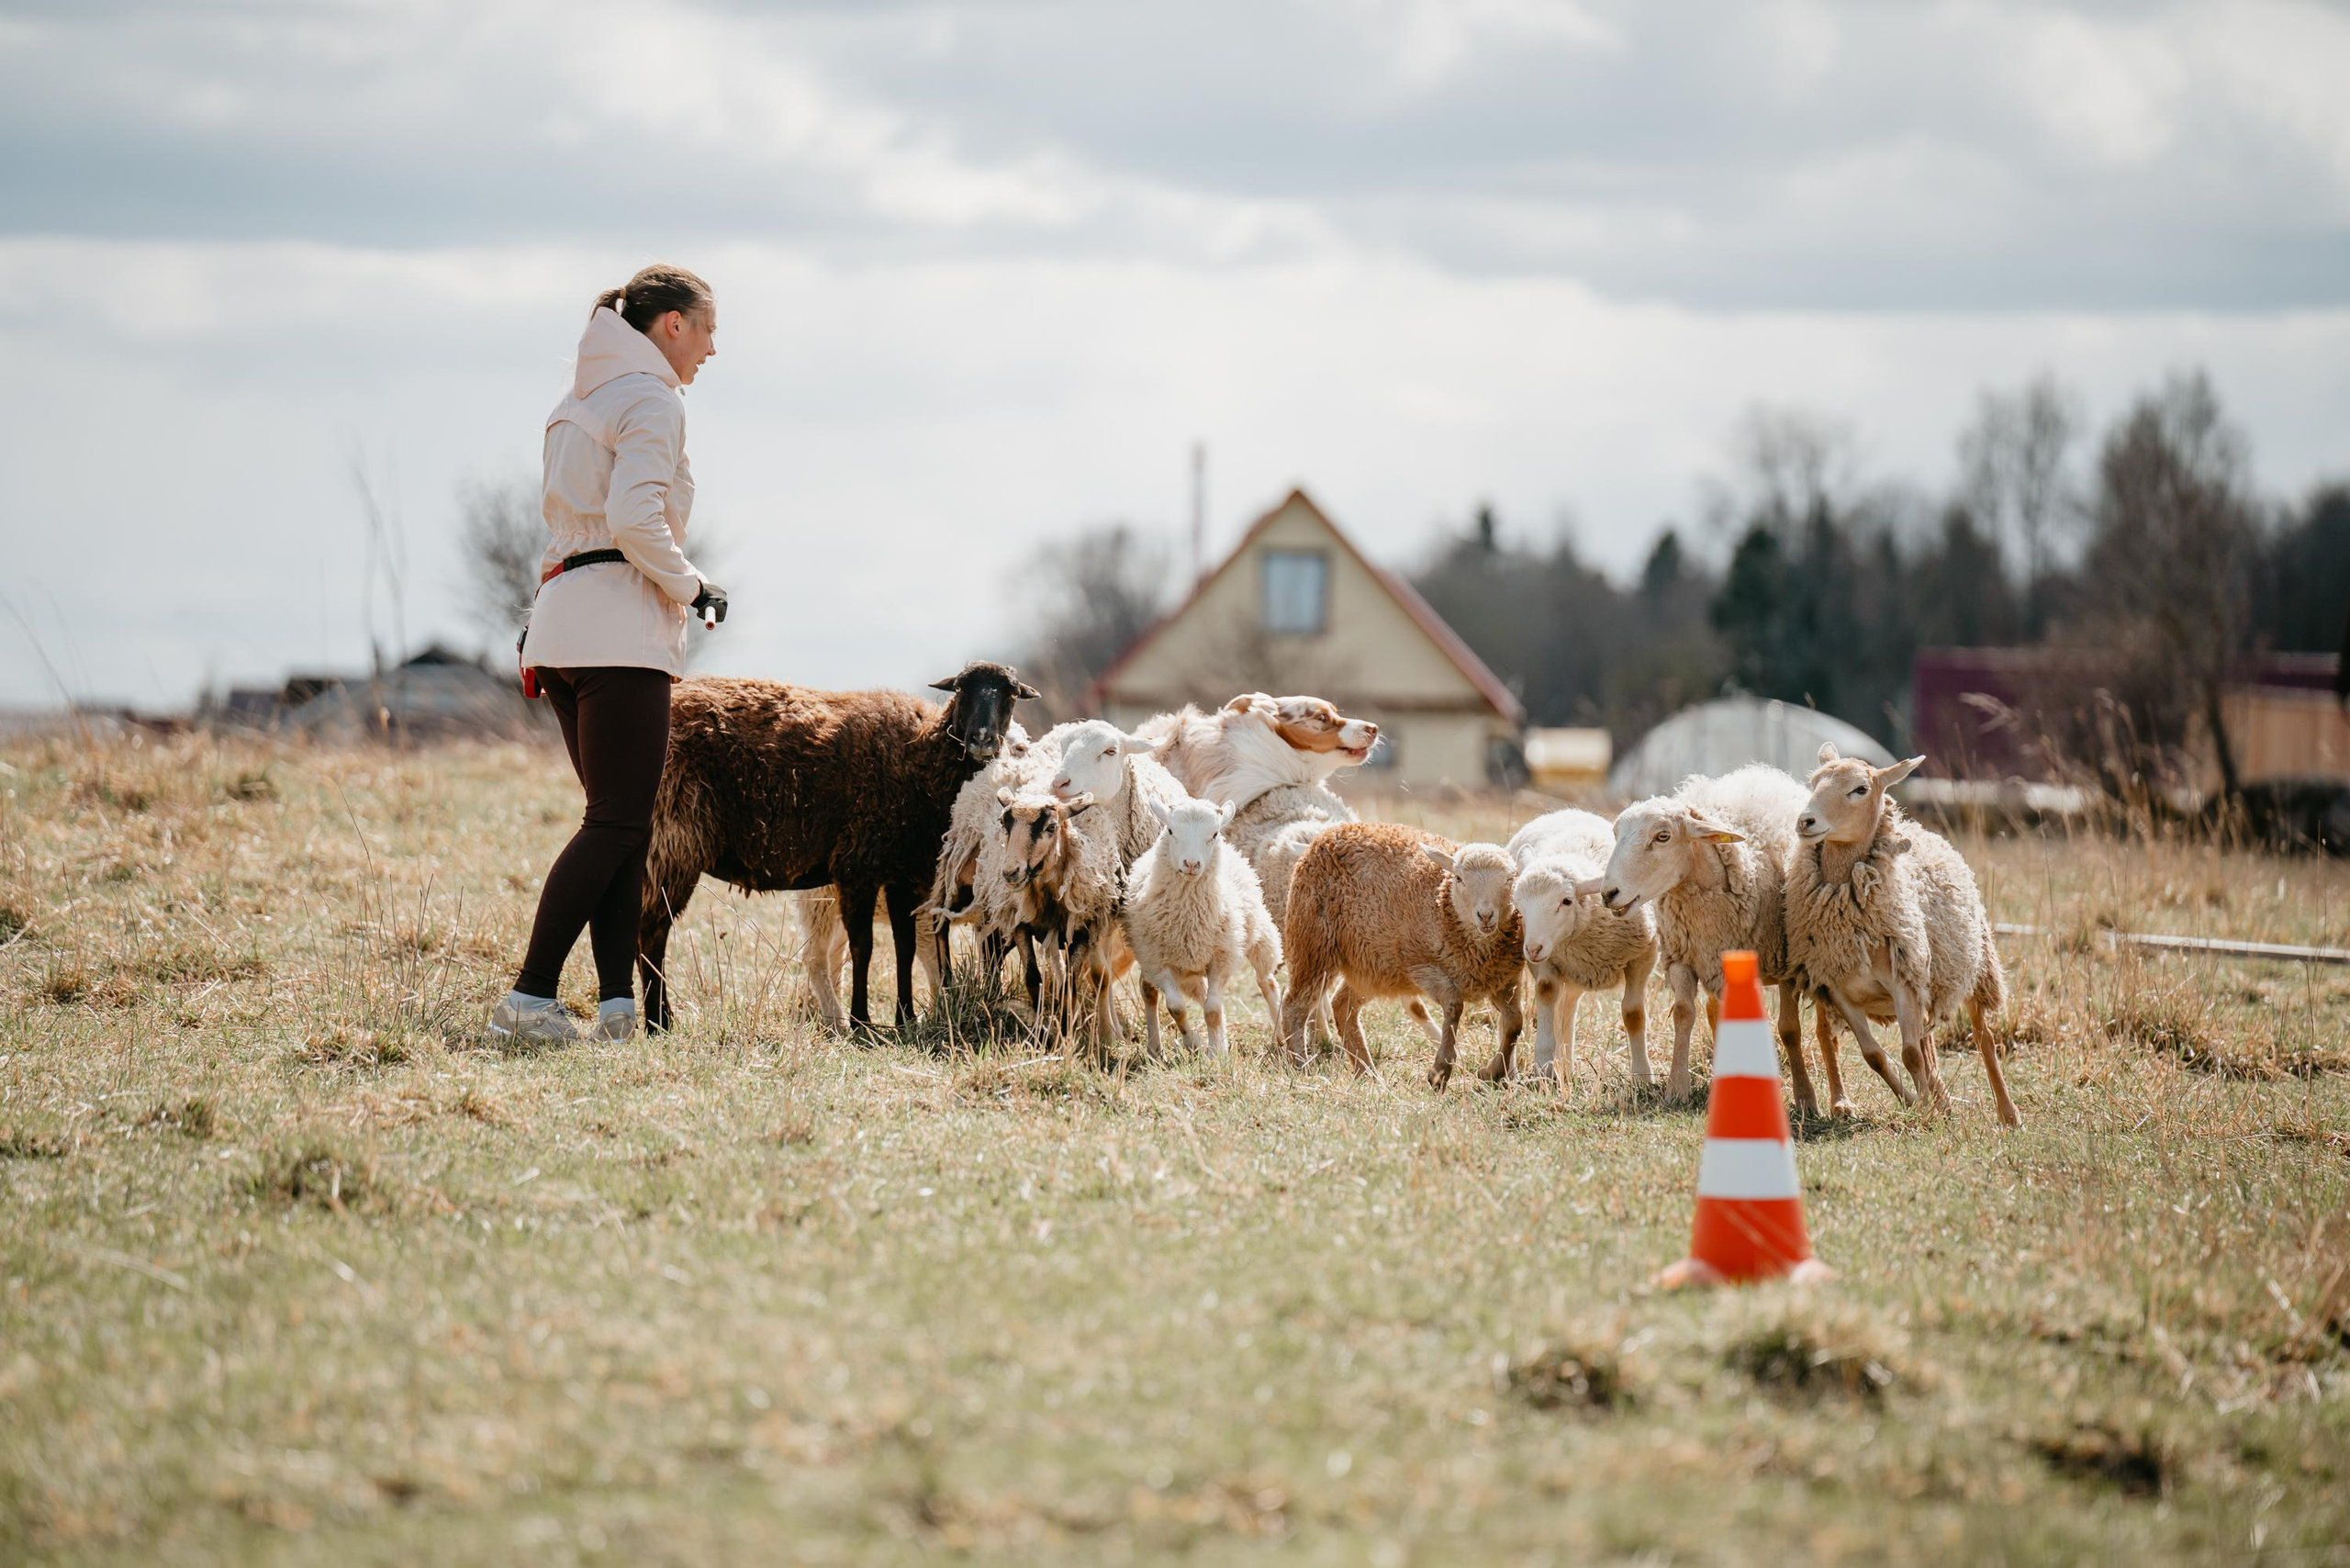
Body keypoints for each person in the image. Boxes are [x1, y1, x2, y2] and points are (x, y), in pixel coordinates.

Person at [489, 264, 727, 1044]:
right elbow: (632, 518)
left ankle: (618, 1008)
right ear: (671, 327)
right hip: (616, 630)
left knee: (620, 823)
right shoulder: (652, 397)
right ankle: (529, 999)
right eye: (707, 329)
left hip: (559, 625)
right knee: (618, 824)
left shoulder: (577, 399)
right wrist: (693, 589)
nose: (712, 348)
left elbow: (577, 521)